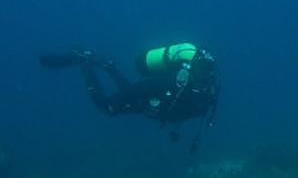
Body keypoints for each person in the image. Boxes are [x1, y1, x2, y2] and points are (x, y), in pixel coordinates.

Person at [39, 43, 219, 150]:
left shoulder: (203, 95)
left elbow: (139, 93)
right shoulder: (184, 86)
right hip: (155, 96)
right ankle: (84, 62)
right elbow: (139, 90)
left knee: (133, 96)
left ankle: (109, 66)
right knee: (106, 107)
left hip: (154, 100)